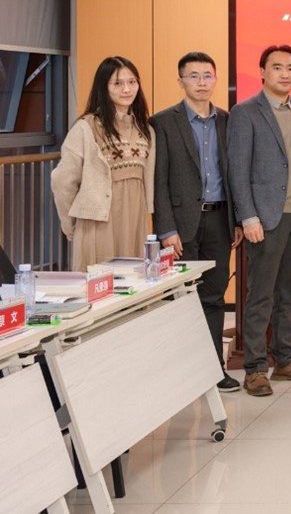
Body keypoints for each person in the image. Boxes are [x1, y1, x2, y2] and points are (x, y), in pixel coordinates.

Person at [228, 44, 291, 396]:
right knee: (261, 296)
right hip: (266, 219)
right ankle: (255, 368)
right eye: (277, 67)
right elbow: (238, 170)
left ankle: (286, 360)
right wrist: (247, 216)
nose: (285, 74)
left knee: (289, 294)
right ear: (263, 72)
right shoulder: (245, 112)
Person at [151, 52, 241, 392]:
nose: (201, 82)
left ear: (216, 79)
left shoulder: (227, 121)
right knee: (181, 298)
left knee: (214, 296)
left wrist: (236, 219)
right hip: (181, 224)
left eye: (207, 75)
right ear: (181, 81)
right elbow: (158, 181)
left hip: (220, 219)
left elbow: (233, 175)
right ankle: (182, 374)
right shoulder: (163, 122)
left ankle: (214, 370)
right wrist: (166, 228)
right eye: (193, 76)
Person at [53, 56, 155, 272]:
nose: (126, 89)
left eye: (132, 82)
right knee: (100, 284)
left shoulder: (145, 129)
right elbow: (63, 181)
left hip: (134, 221)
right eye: (117, 83)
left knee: (134, 283)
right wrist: (70, 225)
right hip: (97, 224)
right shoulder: (87, 127)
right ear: (104, 87)